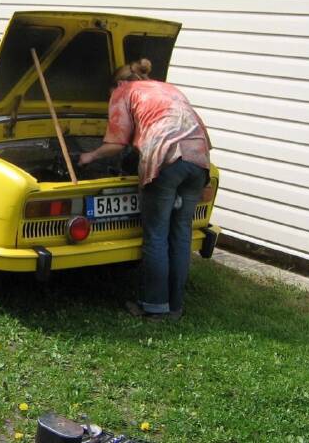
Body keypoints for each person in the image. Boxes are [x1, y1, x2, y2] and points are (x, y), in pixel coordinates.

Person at [78, 58, 211, 320]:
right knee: (181, 234)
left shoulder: (123, 91)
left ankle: (154, 307)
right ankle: (175, 307)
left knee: (157, 235)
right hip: (199, 160)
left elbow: (116, 144)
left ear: (118, 83)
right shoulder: (169, 89)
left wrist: (89, 157)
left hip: (167, 159)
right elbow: (201, 131)